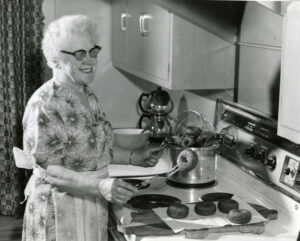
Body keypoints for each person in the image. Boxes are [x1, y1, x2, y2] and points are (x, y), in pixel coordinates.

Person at [19, 15, 163, 241]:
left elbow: (93, 152)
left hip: (90, 204)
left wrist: (134, 157)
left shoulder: (86, 93)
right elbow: (52, 172)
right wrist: (101, 186)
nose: (90, 60)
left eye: (93, 51)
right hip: (57, 211)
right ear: (55, 59)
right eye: (79, 54)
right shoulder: (44, 105)